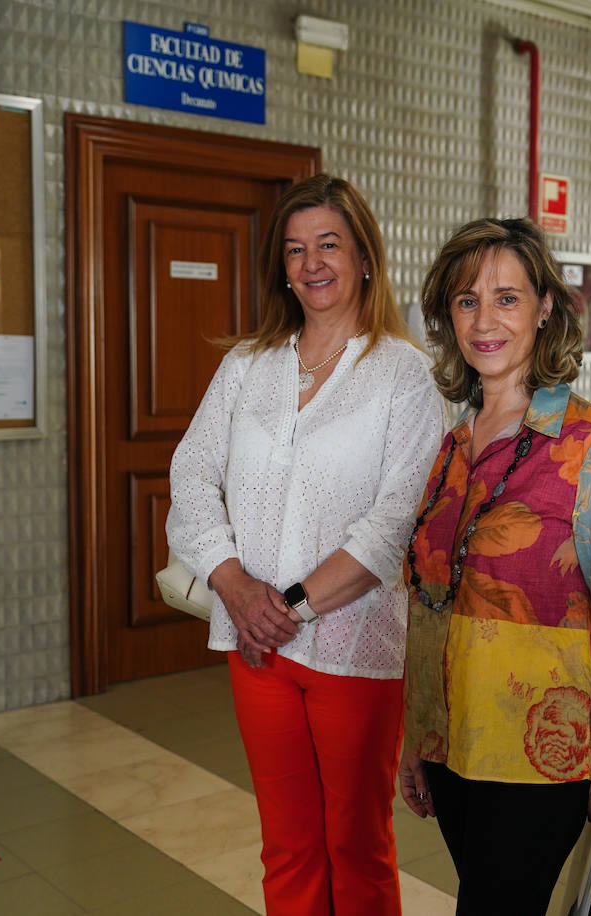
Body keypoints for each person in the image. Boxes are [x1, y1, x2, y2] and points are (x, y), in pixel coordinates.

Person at [166, 173, 444, 916]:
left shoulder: (404, 376)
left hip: (355, 650)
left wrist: (282, 604)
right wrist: (232, 583)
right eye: (295, 249)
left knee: (356, 845)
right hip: (259, 654)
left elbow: (395, 525)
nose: (311, 263)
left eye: (329, 244)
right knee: (287, 842)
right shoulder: (247, 366)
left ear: (363, 258)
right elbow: (190, 473)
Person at [397, 218, 591, 916]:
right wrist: (416, 740)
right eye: (466, 300)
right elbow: (430, 602)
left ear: (545, 307)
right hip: (454, 745)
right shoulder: (451, 446)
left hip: (542, 753)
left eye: (507, 298)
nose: (486, 320)